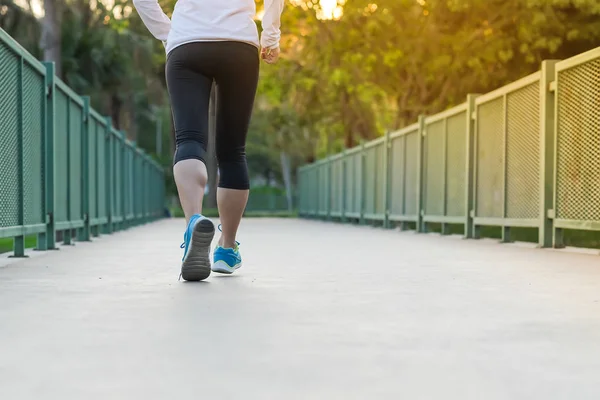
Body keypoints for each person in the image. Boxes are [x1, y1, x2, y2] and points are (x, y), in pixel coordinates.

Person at [133, 0, 284, 281]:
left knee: (189, 140)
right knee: (232, 151)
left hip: (187, 43)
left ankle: (194, 221)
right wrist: (270, 36)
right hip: (239, 43)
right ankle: (227, 248)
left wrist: (168, 32)